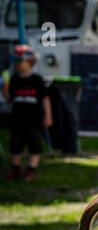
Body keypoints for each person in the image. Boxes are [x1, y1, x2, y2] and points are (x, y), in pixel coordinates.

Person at [3, 45, 52, 180]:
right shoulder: (14, 79)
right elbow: (9, 98)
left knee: (34, 144)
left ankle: (31, 168)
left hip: (34, 119)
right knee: (15, 144)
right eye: (16, 62)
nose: (17, 65)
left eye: (20, 61)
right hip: (17, 118)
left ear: (30, 62)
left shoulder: (37, 79)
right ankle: (15, 168)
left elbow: (45, 99)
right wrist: (5, 87)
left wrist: (48, 116)